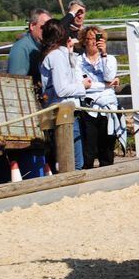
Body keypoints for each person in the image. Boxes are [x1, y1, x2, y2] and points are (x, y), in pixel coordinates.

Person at [39, 19, 90, 171]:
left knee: (72, 161)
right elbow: (61, 89)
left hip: (65, 110)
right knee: (73, 162)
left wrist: (70, 53)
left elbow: (69, 78)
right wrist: (82, 86)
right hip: (63, 112)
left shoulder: (56, 54)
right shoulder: (55, 56)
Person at [77, 25, 125, 168]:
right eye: (90, 39)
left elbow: (109, 76)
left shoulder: (110, 59)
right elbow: (82, 84)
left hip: (107, 107)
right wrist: (106, 85)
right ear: (84, 41)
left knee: (107, 147)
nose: (93, 42)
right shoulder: (78, 61)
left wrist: (104, 55)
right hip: (88, 107)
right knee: (89, 149)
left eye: (97, 38)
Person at [7, 8, 51, 81]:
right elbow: (17, 82)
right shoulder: (21, 48)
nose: (49, 31)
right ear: (32, 26)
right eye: (45, 27)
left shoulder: (43, 45)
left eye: (50, 27)